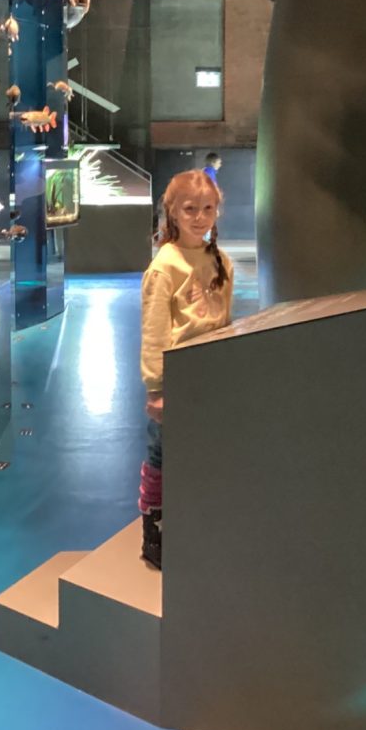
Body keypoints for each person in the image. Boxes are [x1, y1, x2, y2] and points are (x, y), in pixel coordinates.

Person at [138, 170, 234, 569]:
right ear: (172, 212)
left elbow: (225, 321)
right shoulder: (165, 267)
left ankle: (198, 521)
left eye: (208, 208)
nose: (199, 217)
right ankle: (154, 526)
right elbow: (155, 332)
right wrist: (156, 389)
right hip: (178, 380)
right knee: (163, 453)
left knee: (206, 451)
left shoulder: (220, 261)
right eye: (190, 209)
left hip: (213, 377)